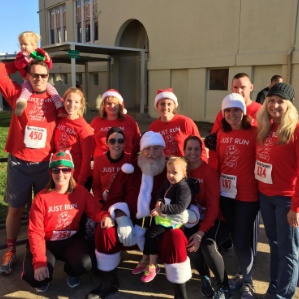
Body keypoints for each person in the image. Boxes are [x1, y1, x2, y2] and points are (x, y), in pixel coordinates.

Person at [86, 131, 200, 299]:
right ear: (141, 150)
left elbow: (188, 198)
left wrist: (188, 215)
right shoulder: (129, 170)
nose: (152, 153)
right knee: (105, 231)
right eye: (147, 149)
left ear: (163, 150)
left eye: (156, 148)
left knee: (175, 237)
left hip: (162, 223)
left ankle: (180, 291)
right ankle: (108, 282)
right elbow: (114, 197)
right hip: (132, 223)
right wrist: (121, 217)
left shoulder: (171, 170)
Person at [0, 60, 58, 275]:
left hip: (46, 164)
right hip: (19, 163)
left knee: (42, 212)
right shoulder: (18, 95)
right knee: (15, 209)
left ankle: (37, 248)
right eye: (34, 75)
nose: (39, 79)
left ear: (48, 76)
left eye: (43, 75)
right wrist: (21, 61)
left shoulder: (55, 100)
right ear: (28, 76)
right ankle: (11, 249)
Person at [21, 151, 107, 293]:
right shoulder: (41, 198)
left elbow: (95, 211)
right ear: (51, 172)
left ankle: (72, 272)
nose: (60, 174)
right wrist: (39, 261)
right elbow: (35, 231)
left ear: (71, 171)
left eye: (65, 169)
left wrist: (105, 217)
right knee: (35, 276)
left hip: (71, 239)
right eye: (56, 170)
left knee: (85, 263)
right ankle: (41, 270)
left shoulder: (80, 191)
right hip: (47, 241)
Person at [255, 83, 299, 298]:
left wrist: (296, 207)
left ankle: (283, 295)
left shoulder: (295, 130)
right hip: (266, 196)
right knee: (274, 246)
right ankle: (274, 289)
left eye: (280, 101)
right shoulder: (267, 127)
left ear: (289, 105)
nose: (274, 105)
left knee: (288, 251)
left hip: (286, 200)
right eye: (271, 101)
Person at [217, 93, 259, 299]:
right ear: (223, 113)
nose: (232, 114)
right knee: (234, 238)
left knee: (242, 239)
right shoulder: (220, 134)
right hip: (226, 194)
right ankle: (242, 275)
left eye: (236, 109)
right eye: (228, 110)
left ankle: (248, 282)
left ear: (243, 112)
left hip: (247, 195)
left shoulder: (255, 132)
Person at [183, 135, 232, 299]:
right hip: (193, 219)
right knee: (189, 243)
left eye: (197, 149)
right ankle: (204, 276)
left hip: (216, 220)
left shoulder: (209, 172)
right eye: (189, 148)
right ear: (184, 151)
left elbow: (213, 207)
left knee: (206, 245)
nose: (193, 152)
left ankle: (224, 287)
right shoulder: (182, 171)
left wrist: (200, 233)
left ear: (202, 151)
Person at [132, 156, 193, 283]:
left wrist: (161, 209)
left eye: (174, 172)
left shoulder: (183, 188)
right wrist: (159, 201)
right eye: (168, 171)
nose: (170, 175)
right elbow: (160, 193)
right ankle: (145, 259)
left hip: (174, 221)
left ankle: (153, 265)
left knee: (153, 235)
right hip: (163, 218)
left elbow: (180, 207)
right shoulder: (169, 183)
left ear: (184, 173)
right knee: (149, 232)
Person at [13, 31, 65, 117]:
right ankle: (21, 103)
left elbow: (48, 66)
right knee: (26, 90)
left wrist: (48, 59)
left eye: (25, 44)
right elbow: (18, 65)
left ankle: (59, 108)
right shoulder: (21, 56)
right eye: (21, 44)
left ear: (33, 45)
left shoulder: (39, 53)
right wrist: (27, 59)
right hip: (27, 79)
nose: (22, 46)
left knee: (52, 91)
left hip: (41, 81)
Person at [148, 88, 207, 161]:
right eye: (162, 104)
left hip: (184, 167)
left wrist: (203, 166)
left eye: (169, 104)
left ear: (174, 106)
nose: (166, 107)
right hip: (162, 168)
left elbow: (200, 146)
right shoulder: (153, 127)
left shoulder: (185, 122)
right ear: (157, 106)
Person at [54, 87, 93, 189]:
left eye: (76, 102)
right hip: (61, 173)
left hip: (76, 178)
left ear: (81, 105)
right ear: (64, 101)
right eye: (69, 101)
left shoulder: (84, 128)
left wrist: (80, 181)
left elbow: (86, 158)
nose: (72, 105)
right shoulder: (61, 119)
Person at [90, 89, 140, 160]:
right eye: (109, 103)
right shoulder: (96, 121)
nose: (112, 106)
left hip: (125, 164)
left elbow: (136, 142)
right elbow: (90, 144)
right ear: (103, 105)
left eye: (115, 104)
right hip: (101, 164)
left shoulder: (129, 121)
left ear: (120, 105)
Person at [92, 127, 132, 203]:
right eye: (112, 141)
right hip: (104, 201)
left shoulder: (130, 160)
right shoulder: (99, 161)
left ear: (124, 143)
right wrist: (99, 200)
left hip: (124, 202)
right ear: (107, 143)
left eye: (120, 141)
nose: (116, 144)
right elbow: (96, 185)